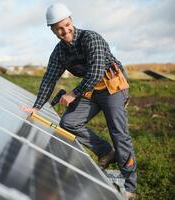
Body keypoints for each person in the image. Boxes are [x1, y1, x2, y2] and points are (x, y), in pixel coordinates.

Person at [21, 3, 137, 199]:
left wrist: (73, 94)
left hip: (113, 86)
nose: (64, 30)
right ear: (53, 30)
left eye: (67, 24)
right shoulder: (59, 52)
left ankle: (130, 186)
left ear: (72, 21)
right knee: (69, 123)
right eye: (59, 28)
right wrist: (36, 107)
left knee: (119, 133)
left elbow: (96, 71)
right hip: (91, 91)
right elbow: (49, 79)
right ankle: (106, 152)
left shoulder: (91, 38)